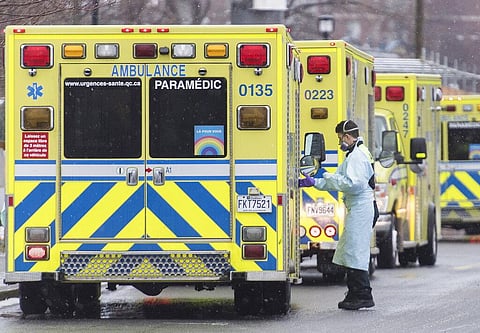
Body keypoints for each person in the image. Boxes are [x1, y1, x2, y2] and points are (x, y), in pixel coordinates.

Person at [299, 120, 377, 310]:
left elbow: (352, 184)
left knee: (356, 252)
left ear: (348, 137)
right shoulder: (355, 154)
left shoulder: (357, 156)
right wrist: (315, 182)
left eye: (340, 138)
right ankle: (354, 293)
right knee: (349, 250)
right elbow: (340, 180)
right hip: (359, 207)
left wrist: (325, 176)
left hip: (361, 207)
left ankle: (363, 294)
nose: (340, 142)